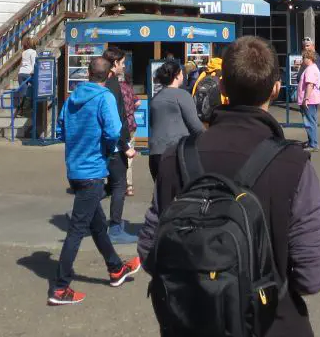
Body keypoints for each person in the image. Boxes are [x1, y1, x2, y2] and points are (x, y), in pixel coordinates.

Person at [138, 36, 320, 337]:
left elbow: (150, 252)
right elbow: (310, 276)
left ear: (222, 86)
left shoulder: (177, 157)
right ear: (275, 89)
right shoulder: (294, 164)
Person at [48, 56, 142, 306]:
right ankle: (60, 287)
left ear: (88, 73)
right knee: (77, 230)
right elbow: (113, 131)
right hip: (93, 170)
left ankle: (116, 268)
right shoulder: (104, 98)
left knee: (98, 225)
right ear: (109, 74)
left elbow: (61, 129)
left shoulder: (72, 98)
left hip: (74, 168)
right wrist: (108, 150)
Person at [148, 59, 204, 181]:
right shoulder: (182, 95)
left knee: (161, 190)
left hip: (155, 154)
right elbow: (196, 126)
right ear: (177, 76)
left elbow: (153, 124)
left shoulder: (155, 98)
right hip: (175, 153)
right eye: (182, 73)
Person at [102, 47, 137, 241]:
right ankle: (115, 227)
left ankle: (90, 221)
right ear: (114, 63)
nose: (124, 66)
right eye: (122, 63)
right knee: (118, 185)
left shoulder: (98, 83)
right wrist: (125, 145)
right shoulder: (113, 84)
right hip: (115, 144)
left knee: (100, 185)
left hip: (101, 143)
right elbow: (118, 118)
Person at [297, 49, 320, 152]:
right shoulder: (313, 68)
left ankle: (313, 144)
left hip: (309, 100)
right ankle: (311, 141)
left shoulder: (310, 69)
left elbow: (310, 84)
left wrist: (306, 99)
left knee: (309, 122)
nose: (303, 60)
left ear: (309, 58)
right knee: (311, 121)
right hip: (312, 99)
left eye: (304, 57)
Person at [17, 36, 37, 100]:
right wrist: (34, 72)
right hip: (29, 73)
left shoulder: (23, 52)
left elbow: (23, 63)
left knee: (23, 94)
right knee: (37, 88)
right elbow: (34, 63)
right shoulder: (33, 52)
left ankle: (22, 105)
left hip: (21, 73)